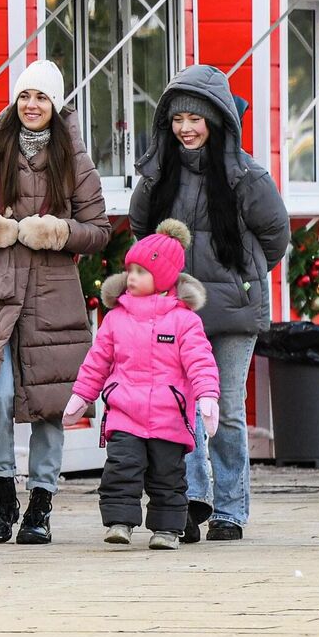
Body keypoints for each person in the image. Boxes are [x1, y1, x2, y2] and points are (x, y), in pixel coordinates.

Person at [0, 60, 111, 546]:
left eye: (40, 98)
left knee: (49, 402)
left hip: (52, 295)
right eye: (24, 97)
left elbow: (99, 231)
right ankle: (2, 494)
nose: (32, 106)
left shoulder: (75, 161)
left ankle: (40, 503)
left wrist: (60, 233)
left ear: (55, 105)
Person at [128, 65, 288, 543]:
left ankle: (231, 510)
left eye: (196, 119)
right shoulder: (158, 175)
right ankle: (192, 503)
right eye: (178, 119)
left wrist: (243, 278)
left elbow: (275, 235)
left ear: (217, 120)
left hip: (234, 314)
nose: (186, 128)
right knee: (185, 408)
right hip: (175, 313)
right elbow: (141, 233)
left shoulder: (246, 175)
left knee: (227, 411)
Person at [66, 220, 219, 551]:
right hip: (125, 412)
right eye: (129, 270)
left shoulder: (184, 320)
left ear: (163, 277)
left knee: (168, 476)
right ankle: (120, 522)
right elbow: (97, 361)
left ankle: (167, 529)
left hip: (169, 415)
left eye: (140, 271)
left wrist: (207, 395)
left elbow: (200, 360)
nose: (130, 277)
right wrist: (81, 396)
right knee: (121, 467)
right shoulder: (118, 318)